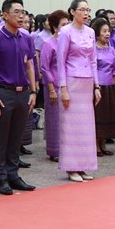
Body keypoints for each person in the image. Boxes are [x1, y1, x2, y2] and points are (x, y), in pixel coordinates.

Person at [0, 0, 37, 195]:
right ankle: (1, 178)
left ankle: (13, 175)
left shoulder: (26, 37)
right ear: (5, 15)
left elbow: (30, 65)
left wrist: (33, 91)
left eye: (23, 12)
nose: (21, 16)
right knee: (2, 137)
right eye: (17, 12)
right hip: (4, 92)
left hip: (23, 92)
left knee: (16, 137)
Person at [57, 0, 100, 182]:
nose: (86, 13)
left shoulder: (91, 32)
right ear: (72, 11)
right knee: (71, 127)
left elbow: (93, 60)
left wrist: (97, 86)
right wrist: (63, 88)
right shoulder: (65, 32)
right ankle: (71, 167)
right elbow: (60, 61)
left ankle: (83, 166)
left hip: (87, 82)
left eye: (88, 10)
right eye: (82, 9)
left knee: (86, 127)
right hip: (71, 81)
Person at [40, 11, 69, 163]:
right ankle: (54, 150)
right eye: (63, 25)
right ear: (55, 27)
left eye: (67, 24)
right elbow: (45, 68)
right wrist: (51, 89)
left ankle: (67, 149)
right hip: (53, 85)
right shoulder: (48, 43)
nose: (66, 27)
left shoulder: (69, 42)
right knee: (54, 119)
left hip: (67, 85)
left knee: (67, 119)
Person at [92, 17, 115, 157]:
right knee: (98, 116)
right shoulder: (93, 49)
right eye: (104, 31)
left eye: (108, 31)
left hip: (110, 86)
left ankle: (103, 144)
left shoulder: (112, 49)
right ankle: (96, 145)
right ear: (97, 34)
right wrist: (95, 87)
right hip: (98, 86)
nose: (107, 34)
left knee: (109, 115)